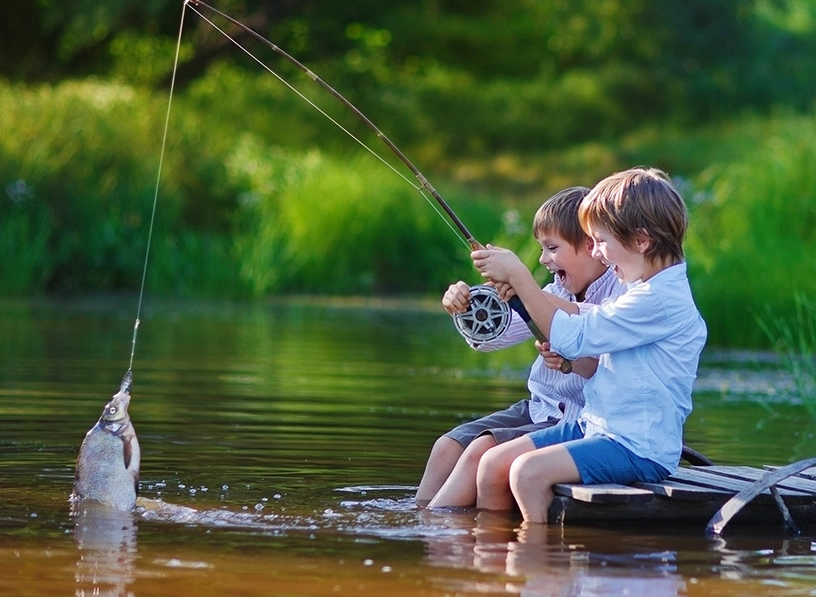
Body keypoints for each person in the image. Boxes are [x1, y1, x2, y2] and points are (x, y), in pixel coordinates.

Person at [470, 166, 707, 523]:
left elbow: (575, 336)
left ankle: (536, 566)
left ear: (641, 241)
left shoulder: (659, 299)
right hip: (594, 426)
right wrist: (527, 297)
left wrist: (521, 277)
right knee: (492, 463)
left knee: (527, 473)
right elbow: (586, 328)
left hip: (635, 446)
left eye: (600, 241)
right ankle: (493, 558)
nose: (596, 252)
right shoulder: (640, 289)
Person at [415, 186, 623, 508]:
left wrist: (523, 285)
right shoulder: (556, 289)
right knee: (447, 446)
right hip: (539, 408)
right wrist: (468, 305)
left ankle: (438, 534)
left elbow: (591, 323)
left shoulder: (619, 293)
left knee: (479, 453)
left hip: (578, 420)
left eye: (552, 248)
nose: (543, 259)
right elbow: (493, 338)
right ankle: (419, 519)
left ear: (589, 245)